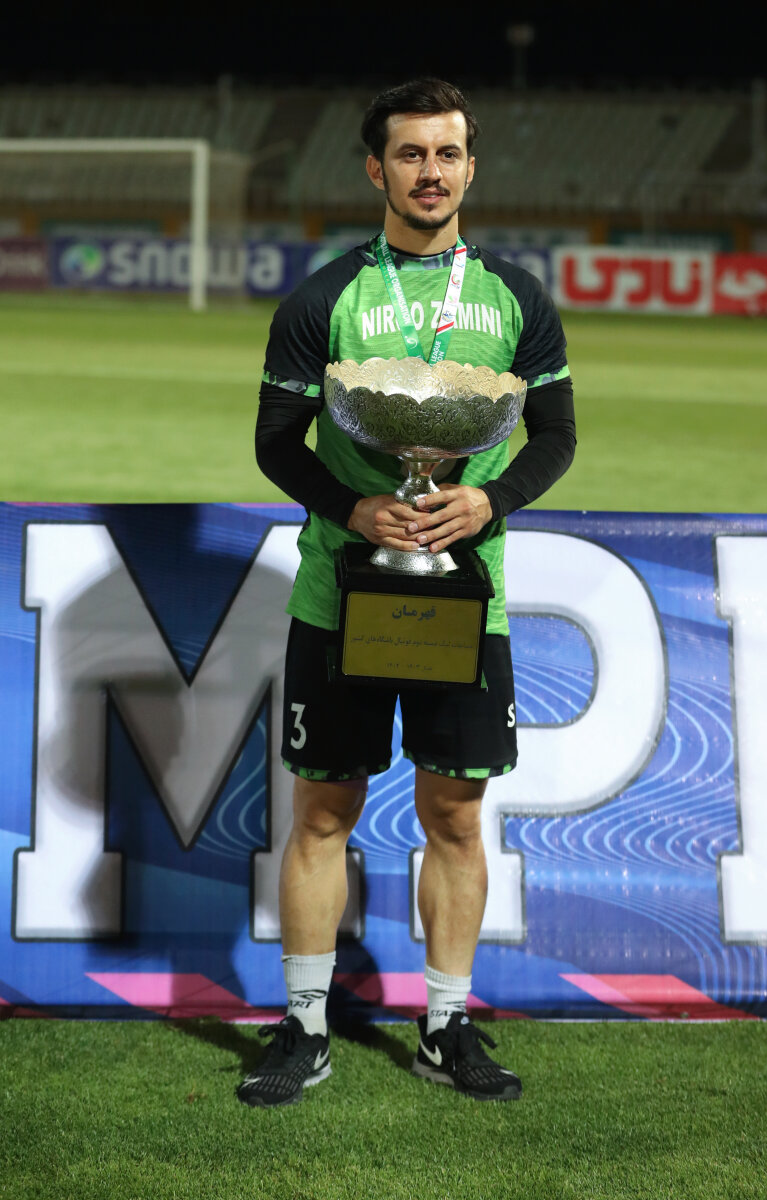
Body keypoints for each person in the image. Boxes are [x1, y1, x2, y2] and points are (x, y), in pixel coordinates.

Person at [238, 78, 576, 1108]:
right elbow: (275, 443)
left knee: (457, 813)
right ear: (375, 168)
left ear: (471, 167)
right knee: (322, 809)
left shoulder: (516, 298)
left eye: (447, 153)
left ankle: (444, 1026)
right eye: (411, 153)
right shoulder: (323, 298)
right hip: (339, 594)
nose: (431, 172)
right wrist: (355, 509)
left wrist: (490, 501)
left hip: (467, 597)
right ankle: (304, 1026)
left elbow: (556, 434)